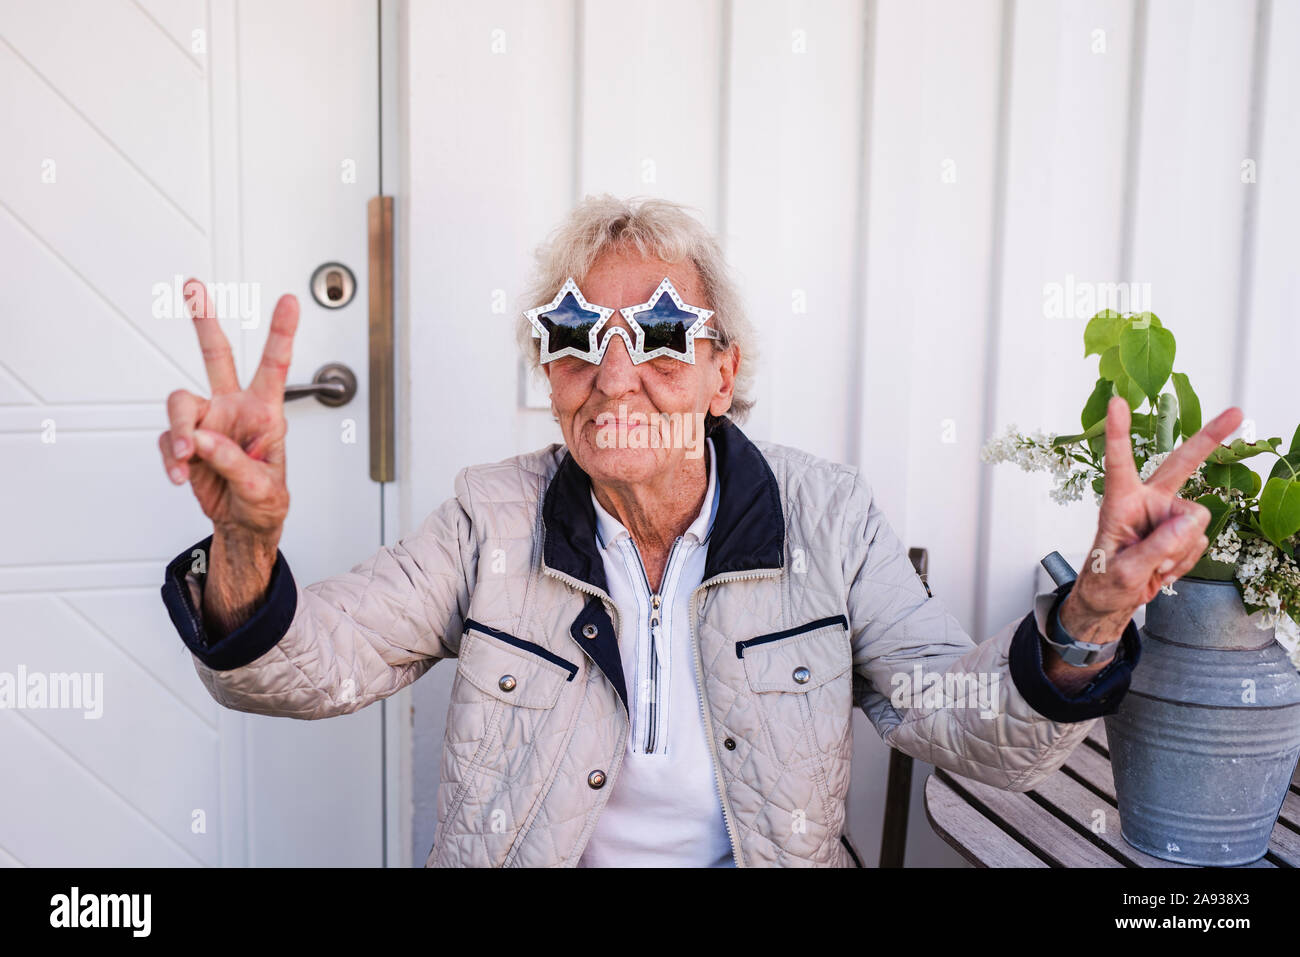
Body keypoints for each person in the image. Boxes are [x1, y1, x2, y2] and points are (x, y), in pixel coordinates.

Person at [158, 195, 1239, 867]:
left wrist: (1088, 615)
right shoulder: (491, 515)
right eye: (577, 337)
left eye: (664, 336)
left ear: (726, 375)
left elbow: (961, 725)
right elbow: (310, 666)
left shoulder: (827, 517)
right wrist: (246, 546)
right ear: (549, 375)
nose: (615, 375)